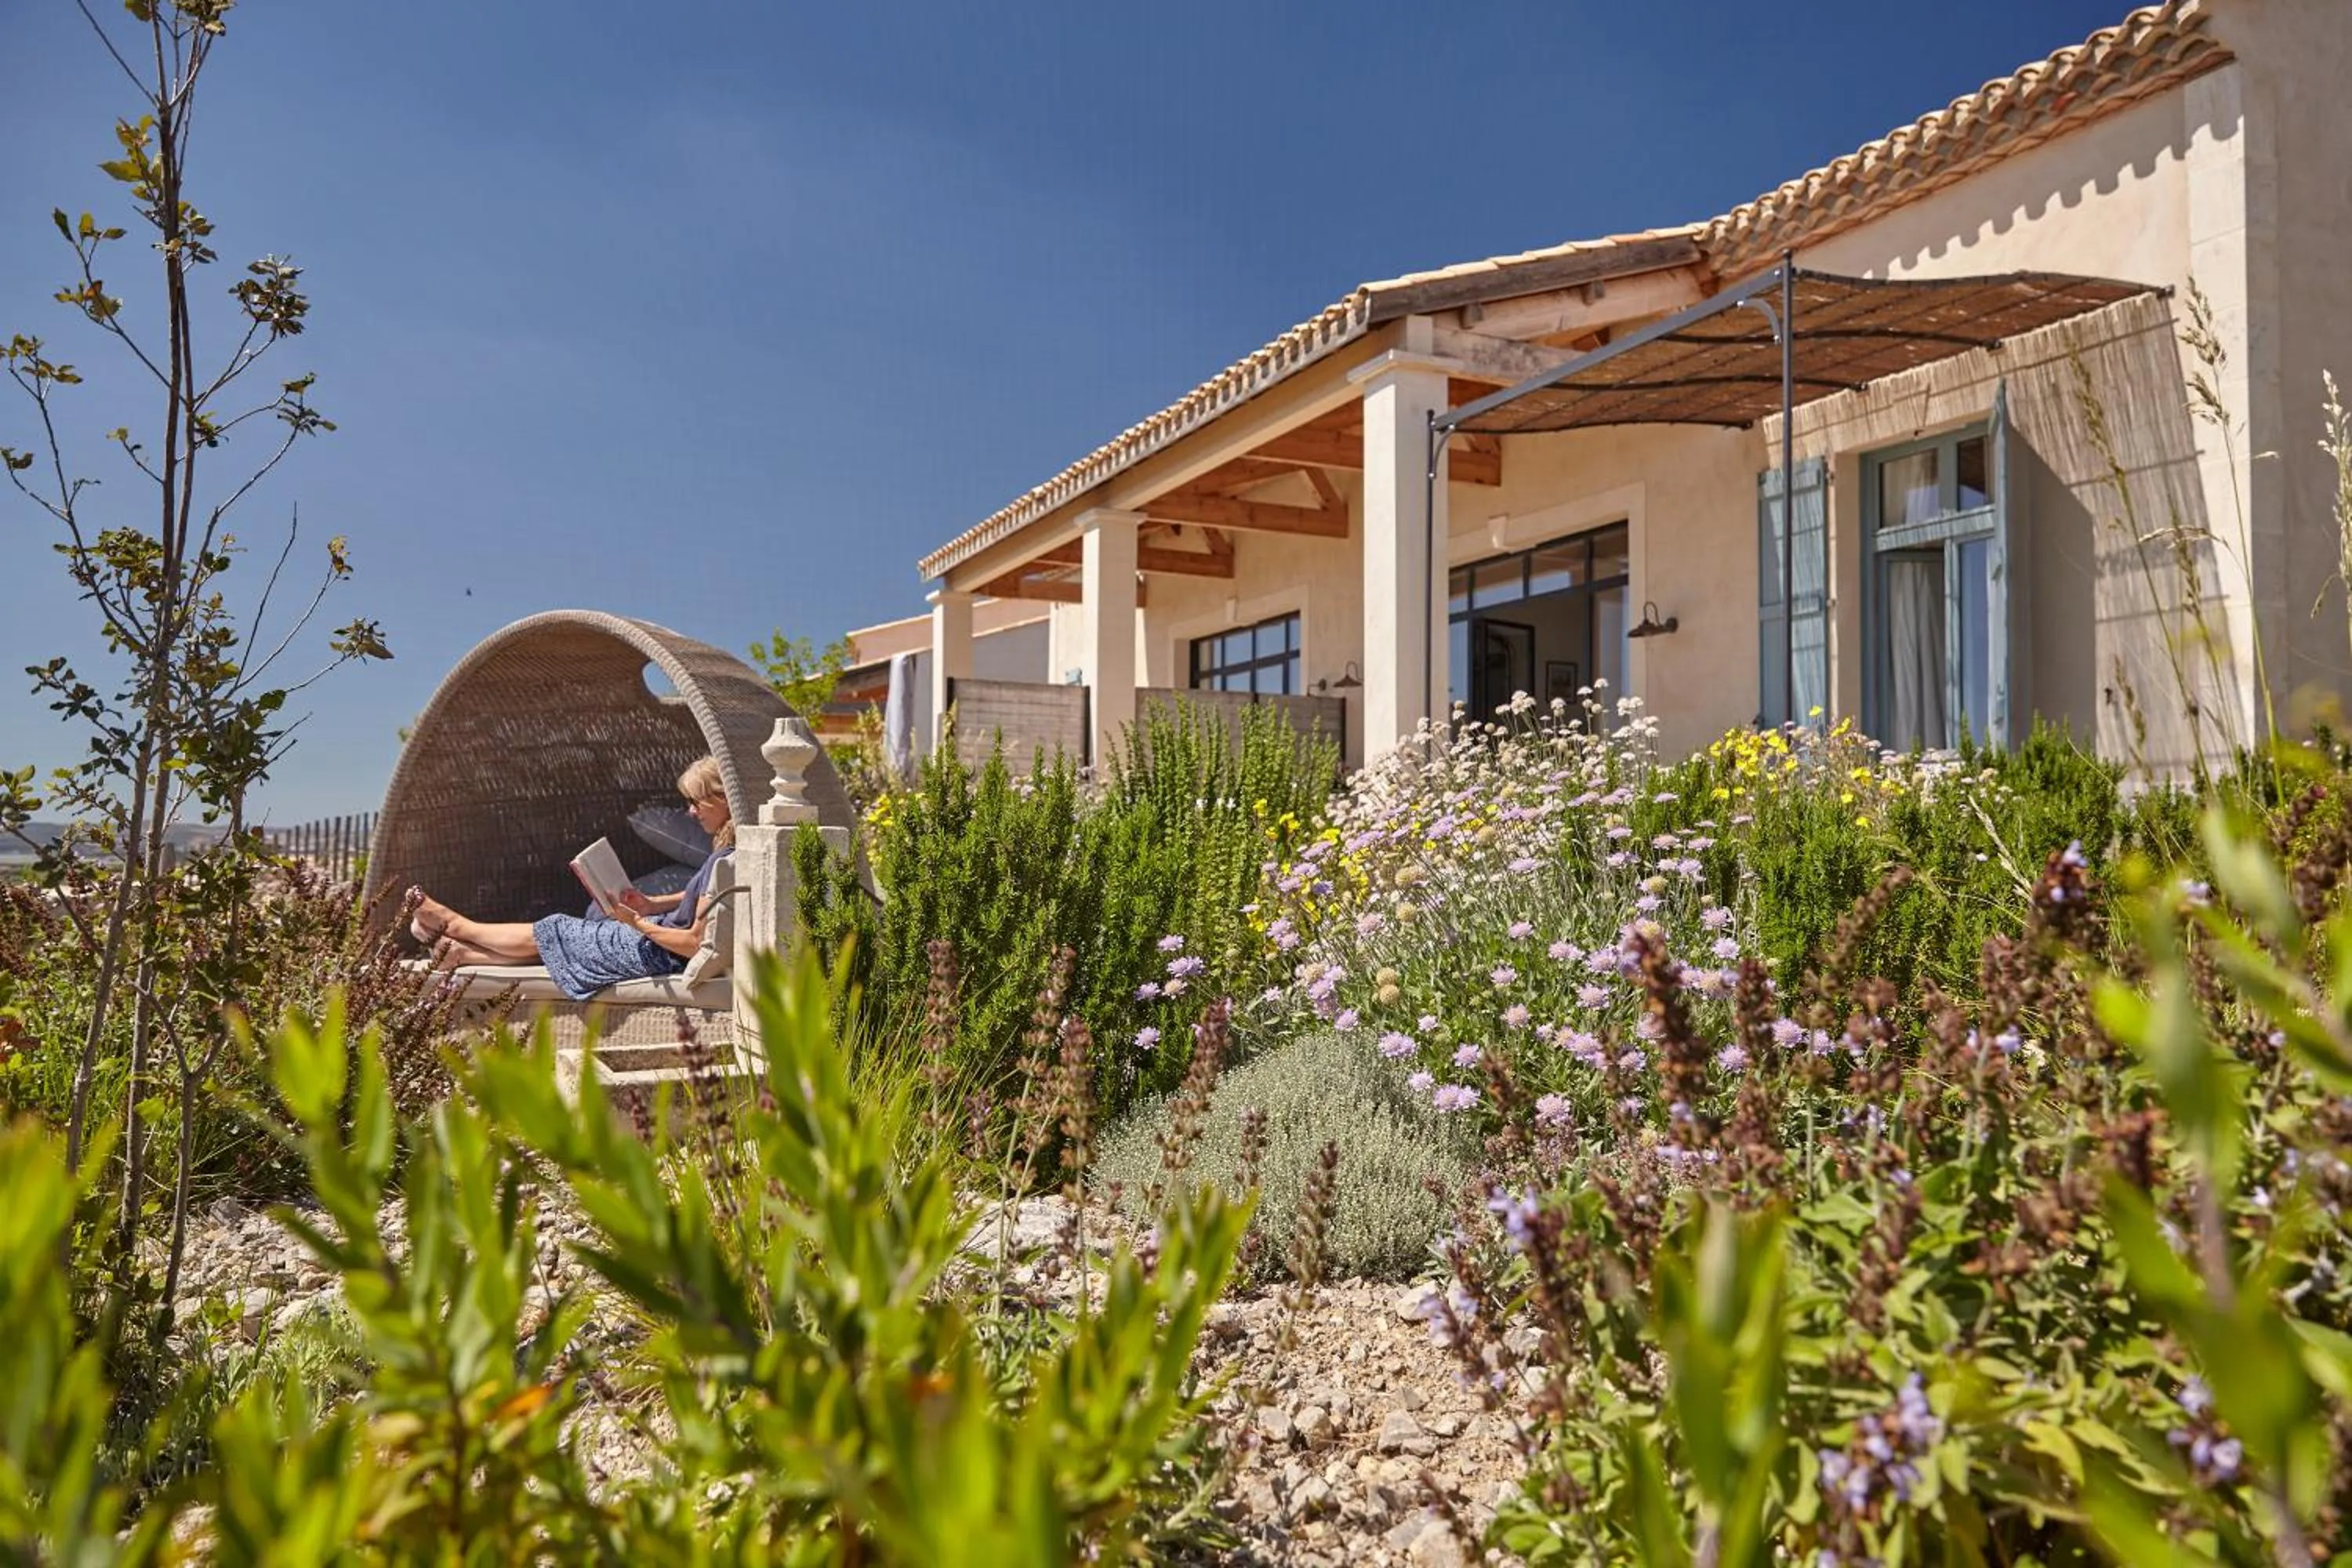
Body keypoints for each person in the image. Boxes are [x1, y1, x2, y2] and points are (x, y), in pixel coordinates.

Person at [410, 755, 735, 1000]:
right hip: (657, 943)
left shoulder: (726, 859)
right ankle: (462, 954)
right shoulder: (732, 853)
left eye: (695, 801)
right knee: (574, 936)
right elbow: (702, 894)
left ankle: (457, 925)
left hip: (656, 954)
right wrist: (651, 904)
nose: (691, 812)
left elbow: (694, 944)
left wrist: (636, 923)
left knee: (556, 928)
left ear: (722, 798)